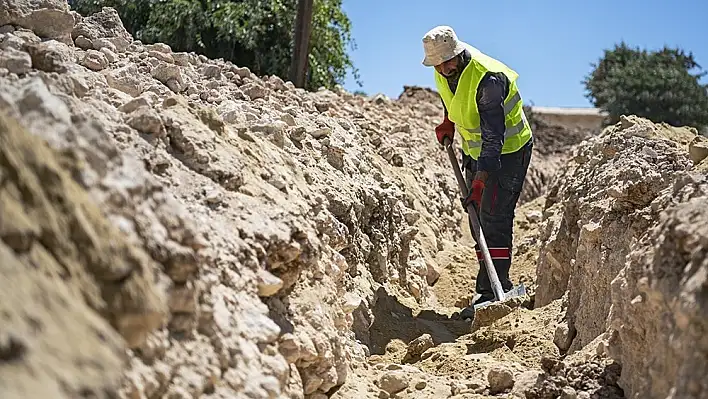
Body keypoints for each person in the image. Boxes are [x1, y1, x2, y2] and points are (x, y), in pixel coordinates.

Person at [421, 25, 533, 311]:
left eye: (448, 61)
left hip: (508, 152)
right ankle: (486, 290)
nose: (444, 69)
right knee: (478, 219)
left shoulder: (488, 79)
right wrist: (448, 121)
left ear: (458, 52)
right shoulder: (443, 68)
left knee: (494, 216)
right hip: (474, 152)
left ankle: (497, 289)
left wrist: (480, 183)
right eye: (438, 64)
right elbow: (454, 98)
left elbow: (493, 139)